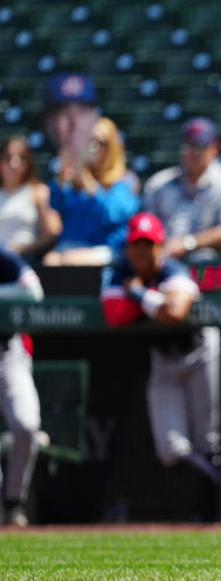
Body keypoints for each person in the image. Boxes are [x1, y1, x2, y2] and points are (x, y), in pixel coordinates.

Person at [100, 212, 220, 521]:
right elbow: (114, 315)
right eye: (135, 245)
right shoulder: (120, 271)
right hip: (163, 360)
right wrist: (156, 302)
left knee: (209, 441)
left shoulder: (173, 268)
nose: (140, 252)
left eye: (147, 245)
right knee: (171, 450)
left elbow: (176, 311)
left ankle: (216, 514)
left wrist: (139, 294)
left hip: (199, 351)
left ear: (160, 247)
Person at [141, 117, 221, 263]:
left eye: (198, 147)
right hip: (162, 260)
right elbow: (146, 225)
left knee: (203, 257)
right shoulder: (159, 183)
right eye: (186, 146)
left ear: (214, 148)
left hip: (208, 264)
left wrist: (188, 244)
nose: (191, 153)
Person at [43, 116, 139, 266]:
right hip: (69, 247)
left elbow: (111, 214)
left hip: (106, 248)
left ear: (111, 147)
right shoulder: (75, 181)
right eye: (87, 141)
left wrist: (87, 180)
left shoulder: (126, 180)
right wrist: (61, 181)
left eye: (99, 142)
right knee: (51, 261)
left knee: (71, 261)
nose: (92, 148)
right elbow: (56, 207)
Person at [0, 249, 44, 526]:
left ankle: (15, 501)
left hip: (8, 353)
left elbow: (34, 291)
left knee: (27, 426)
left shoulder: (3, 258)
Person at [0, 136, 62, 260]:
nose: (14, 163)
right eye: (8, 158)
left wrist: (22, 249)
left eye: (21, 158)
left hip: (24, 261)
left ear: (28, 163)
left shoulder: (38, 191)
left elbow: (51, 233)